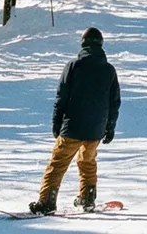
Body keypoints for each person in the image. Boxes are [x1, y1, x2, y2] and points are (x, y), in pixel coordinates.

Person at [28, 27, 121, 215]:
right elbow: (114, 102)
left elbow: (61, 96)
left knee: (58, 163)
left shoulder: (73, 66)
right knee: (87, 161)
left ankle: (47, 200)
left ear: (83, 43)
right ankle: (88, 197)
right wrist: (110, 127)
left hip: (73, 126)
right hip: (96, 129)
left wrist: (56, 122)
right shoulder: (109, 70)